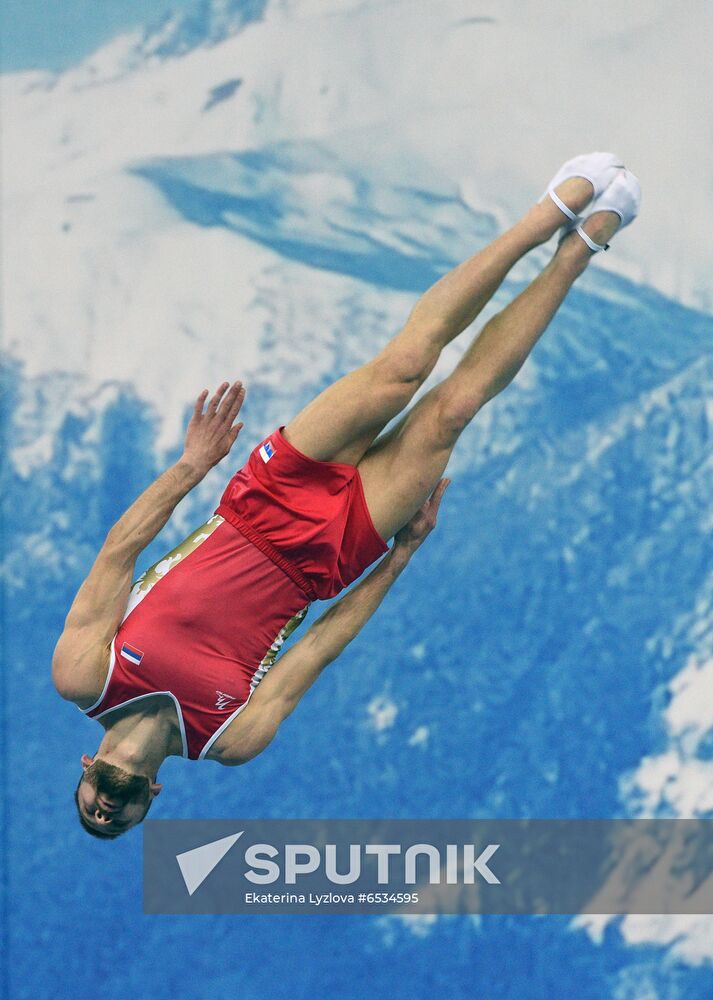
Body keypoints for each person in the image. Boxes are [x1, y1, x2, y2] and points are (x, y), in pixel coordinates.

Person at [52, 153, 641, 837]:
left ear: (88, 764)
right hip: (329, 559)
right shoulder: (229, 740)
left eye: (91, 805)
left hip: (257, 505)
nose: (103, 808)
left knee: (402, 369)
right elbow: (318, 649)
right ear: (151, 795)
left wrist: (193, 466)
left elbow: (118, 553)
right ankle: (578, 252)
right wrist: (400, 557)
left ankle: (543, 219)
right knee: (453, 409)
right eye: (115, 819)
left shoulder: (85, 677)